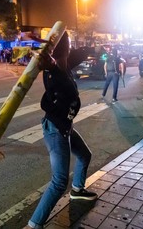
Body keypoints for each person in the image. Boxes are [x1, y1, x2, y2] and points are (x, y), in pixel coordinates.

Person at [26, 32, 97, 229]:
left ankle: (77, 190)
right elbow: (51, 64)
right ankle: (35, 224)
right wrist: (45, 57)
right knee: (59, 182)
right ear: (57, 56)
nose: (68, 56)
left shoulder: (64, 66)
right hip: (56, 130)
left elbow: (76, 54)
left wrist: (93, 49)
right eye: (64, 53)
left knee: (84, 155)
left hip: (65, 127)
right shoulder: (56, 70)